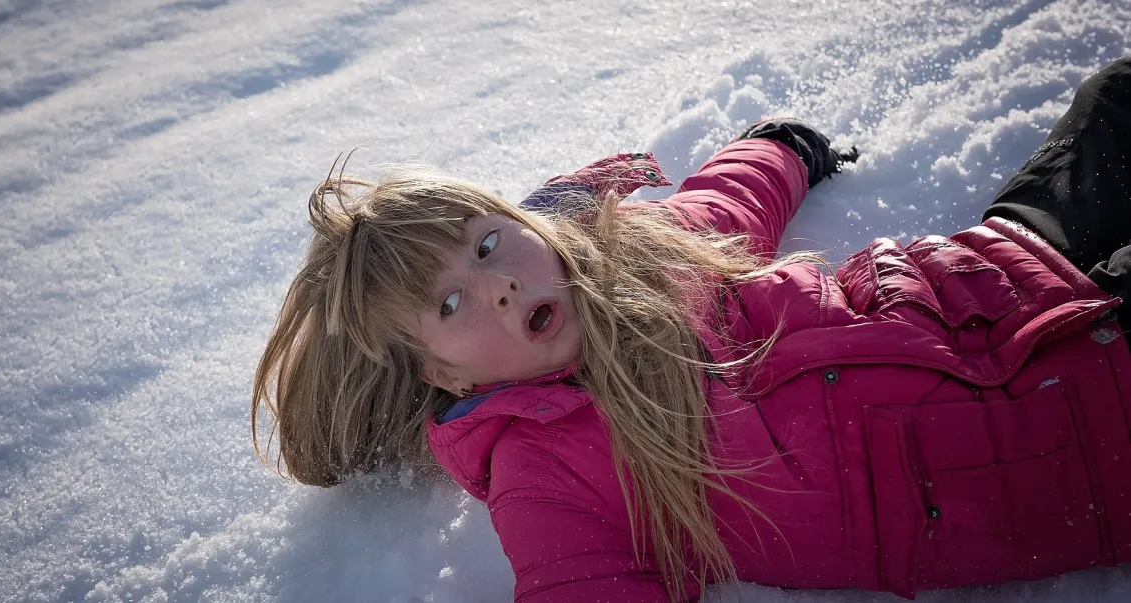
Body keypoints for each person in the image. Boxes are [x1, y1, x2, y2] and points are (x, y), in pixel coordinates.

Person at [251, 57, 1131, 603]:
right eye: (449, 305)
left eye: (489, 244)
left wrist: (782, 144)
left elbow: (723, 201)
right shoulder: (542, 468)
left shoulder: (637, 263)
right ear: (441, 375)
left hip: (983, 272)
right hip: (1070, 429)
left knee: (1116, 99)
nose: (500, 282)